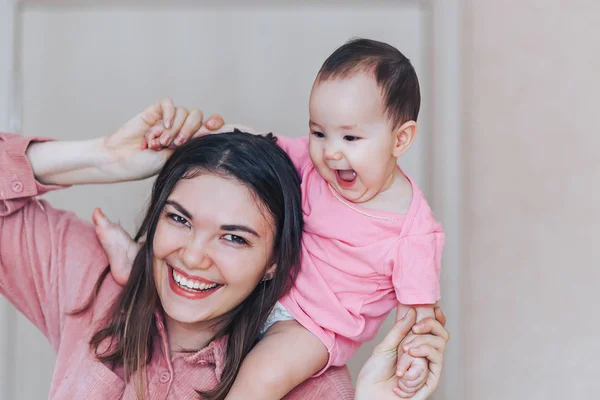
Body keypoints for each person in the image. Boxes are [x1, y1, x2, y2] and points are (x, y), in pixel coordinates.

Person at [0, 99, 449, 400]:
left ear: (275, 261)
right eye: (178, 219)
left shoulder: (304, 382)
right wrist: (103, 159)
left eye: (234, 237)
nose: (194, 256)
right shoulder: (92, 281)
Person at [133, 38, 445, 399]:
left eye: (350, 137)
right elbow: (251, 145)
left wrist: (414, 360)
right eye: (318, 132)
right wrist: (196, 134)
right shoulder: (313, 165)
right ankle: (129, 263)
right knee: (176, 276)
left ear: (401, 139)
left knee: (262, 375)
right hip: (267, 289)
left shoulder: (413, 234)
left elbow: (419, 316)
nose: (330, 152)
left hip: (313, 327)